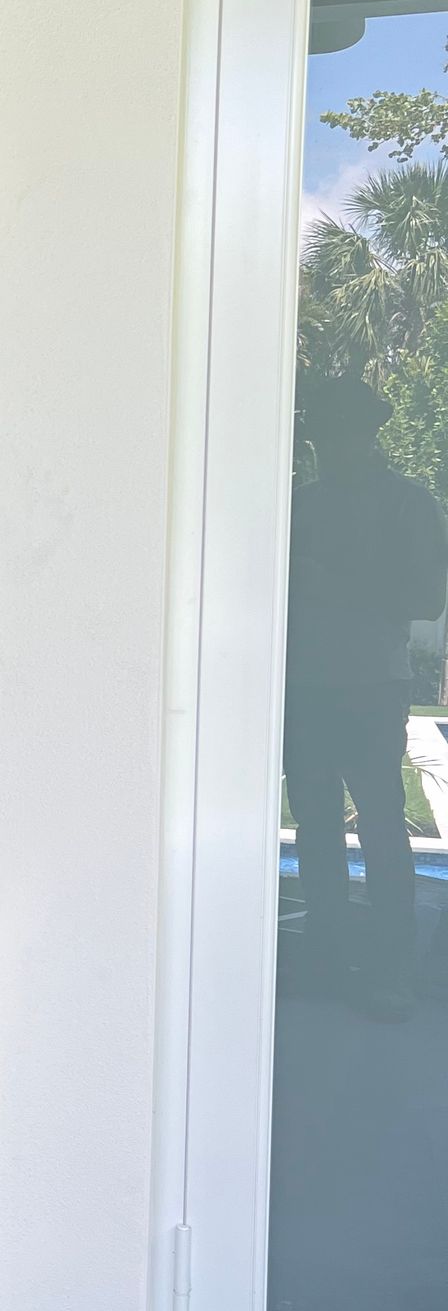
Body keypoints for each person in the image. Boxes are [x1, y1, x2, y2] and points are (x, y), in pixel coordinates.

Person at [283, 376, 448, 1017]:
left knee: (381, 827)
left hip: (372, 687)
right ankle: (325, 959)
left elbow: (426, 599)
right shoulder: (301, 504)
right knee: (316, 829)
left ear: (366, 433)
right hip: (305, 689)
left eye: (336, 432)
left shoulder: (408, 505)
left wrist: (334, 581)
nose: (326, 444)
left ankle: (391, 971)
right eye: (319, 434)